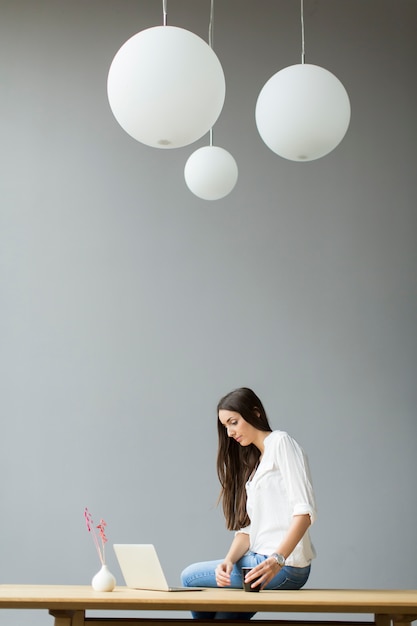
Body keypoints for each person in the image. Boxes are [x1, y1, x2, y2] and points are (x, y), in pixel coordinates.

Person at [181, 387, 317, 620]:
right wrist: (228, 560)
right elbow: (249, 531)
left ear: (255, 413)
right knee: (224, 616)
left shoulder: (281, 443)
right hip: (261, 560)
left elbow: (304, 512)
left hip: (282, 565)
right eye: (225, 427)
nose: (230, 432)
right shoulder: (257, 465)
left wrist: (277, 560)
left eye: (233, 422)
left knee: (190, 577)